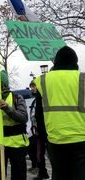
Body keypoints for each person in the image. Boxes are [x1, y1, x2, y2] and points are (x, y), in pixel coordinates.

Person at [33, 46, 85, 180]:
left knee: (59, 175)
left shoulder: (43, 80)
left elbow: (39, 114)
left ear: (56, 62)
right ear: (75, 62)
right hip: (81, 140)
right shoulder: (82, 78)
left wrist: (45, 139)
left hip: (55, 140)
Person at [0, 70, 29, 180]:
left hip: (16, 143)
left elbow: (23, 118)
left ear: (4, 84)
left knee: (19, 174)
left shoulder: (17, 98)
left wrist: (7, 108)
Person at [28, 81, 49, 179]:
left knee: (45, 152)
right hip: (37, 130)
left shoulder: (42, 97)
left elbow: (38, 114)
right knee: (39, 153)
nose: (32, 88)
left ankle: (43, 172)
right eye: (31, 87)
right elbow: (33, 114)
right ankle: (42, 172)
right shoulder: (35, 99)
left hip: (44, 129)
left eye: (33, 86)